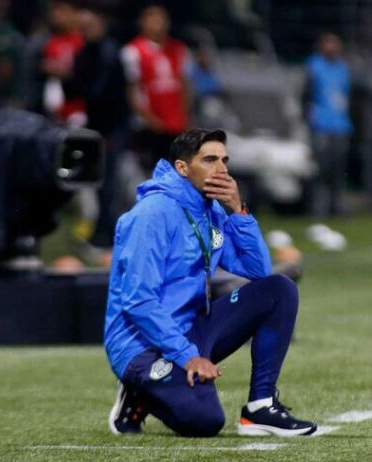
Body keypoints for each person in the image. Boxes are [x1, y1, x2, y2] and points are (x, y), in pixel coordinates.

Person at [105, 128, 319, 437]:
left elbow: (258, 270)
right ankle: (139, 390)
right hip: (143, 344)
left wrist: (239, 211)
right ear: (182, 168)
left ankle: (260, 407)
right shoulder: (151, 214)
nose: (221, 170)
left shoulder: (212, 210)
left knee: (279, 289)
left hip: (190, 331)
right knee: (205, 421)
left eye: (224, 160)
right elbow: (139, 302)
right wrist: (187, 356)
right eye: (209, 160)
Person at [64, 5, 127, 259]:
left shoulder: (110, 53)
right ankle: (100, 232)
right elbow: (73, 91)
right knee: (98, 182)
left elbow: (99, 92)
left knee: (108, 184)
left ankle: (107, 235)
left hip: (112, 127)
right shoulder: (83, 53)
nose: (85, 31)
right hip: (96, 126)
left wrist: (73, 80)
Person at [121, 3, 191, 173]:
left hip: (175, 123)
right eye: (152, 19)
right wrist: (148, 118)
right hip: (150, 124)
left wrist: (184, 113)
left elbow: (185, 84)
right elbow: (133, 89)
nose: (158, 23)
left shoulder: (179, 50)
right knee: (149, 170)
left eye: (162, 19)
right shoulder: (133, 51)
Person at [302, 32, 352, 217]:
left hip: (340, 124)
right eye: (328, 43)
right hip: (321, 124)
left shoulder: (343, 68)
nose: (332, 47)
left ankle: (336, 205)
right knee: (320, 169)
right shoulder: (314, 66)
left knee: (338, 169)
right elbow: (306, 95)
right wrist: (308, 119)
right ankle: (318, 207)